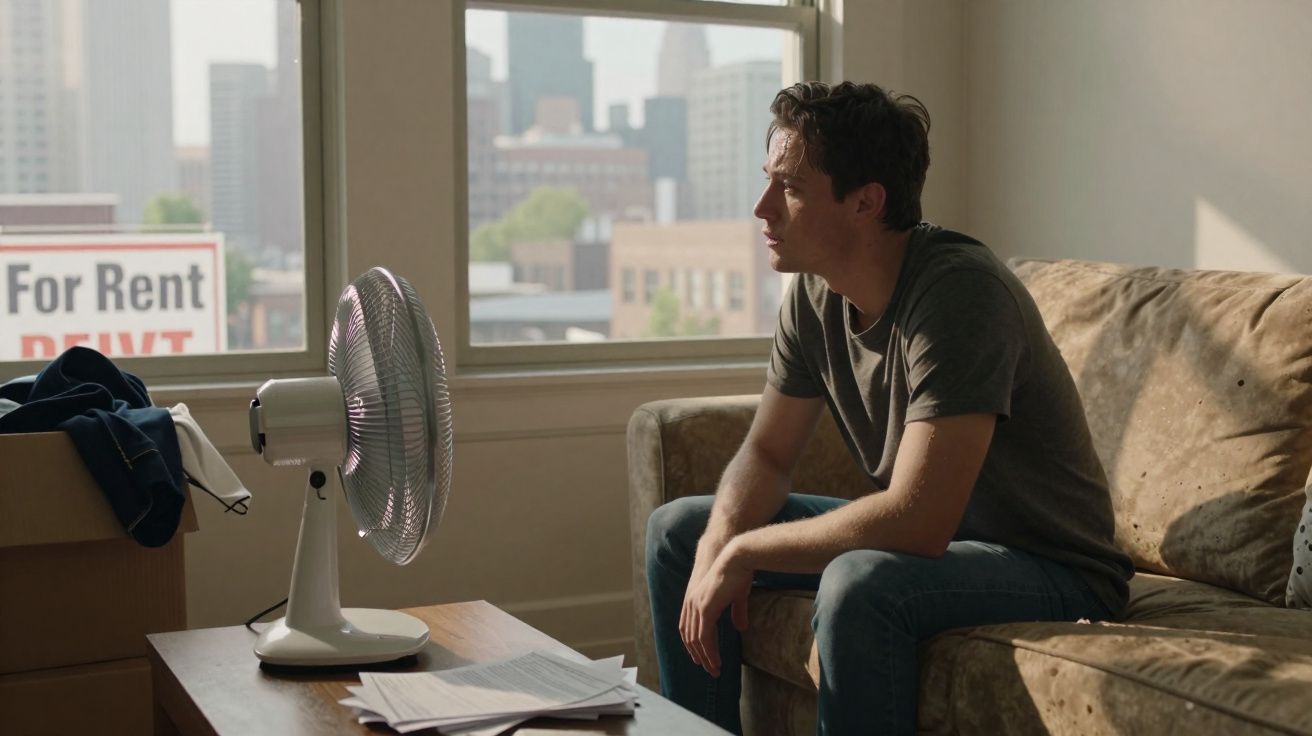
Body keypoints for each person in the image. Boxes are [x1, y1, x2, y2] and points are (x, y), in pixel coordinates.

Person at [644, 81, 1133, 736]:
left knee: (858, 582)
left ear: (865, 202)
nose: (762, 208)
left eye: (788, 187)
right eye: (768, 181)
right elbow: (766, 454)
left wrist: (745, 552)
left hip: (1052, 565)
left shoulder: (960, 295)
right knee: (680, 532)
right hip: (951, 543)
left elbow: (920, 519)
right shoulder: (815, 297)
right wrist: (718, 542)